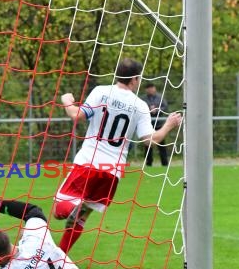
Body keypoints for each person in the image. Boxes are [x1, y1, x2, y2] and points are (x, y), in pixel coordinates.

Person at [55, 58, 182, 253]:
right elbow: (150, 140)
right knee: (81, 217)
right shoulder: (139, 105)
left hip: (88, 162)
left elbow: (76, 115)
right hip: (112, 172)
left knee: (59, 211)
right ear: (135, 79)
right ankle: (59, 255)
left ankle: (67, 212)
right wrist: (169, 125)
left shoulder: (101, 92)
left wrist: (66, 101)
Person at [141, 83, 169, 166]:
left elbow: (165, 107)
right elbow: (141, 108)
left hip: (159, 125)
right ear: (146, 90)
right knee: (148, 146)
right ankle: (148, 164)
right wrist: (149, 110)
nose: (150, 90)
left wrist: (157, 110)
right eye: (148, 88)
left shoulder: (160, 97)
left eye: (152, 88)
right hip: (148, 126)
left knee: (162, 145)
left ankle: (165, 164)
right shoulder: (143, 99)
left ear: (154, 88)